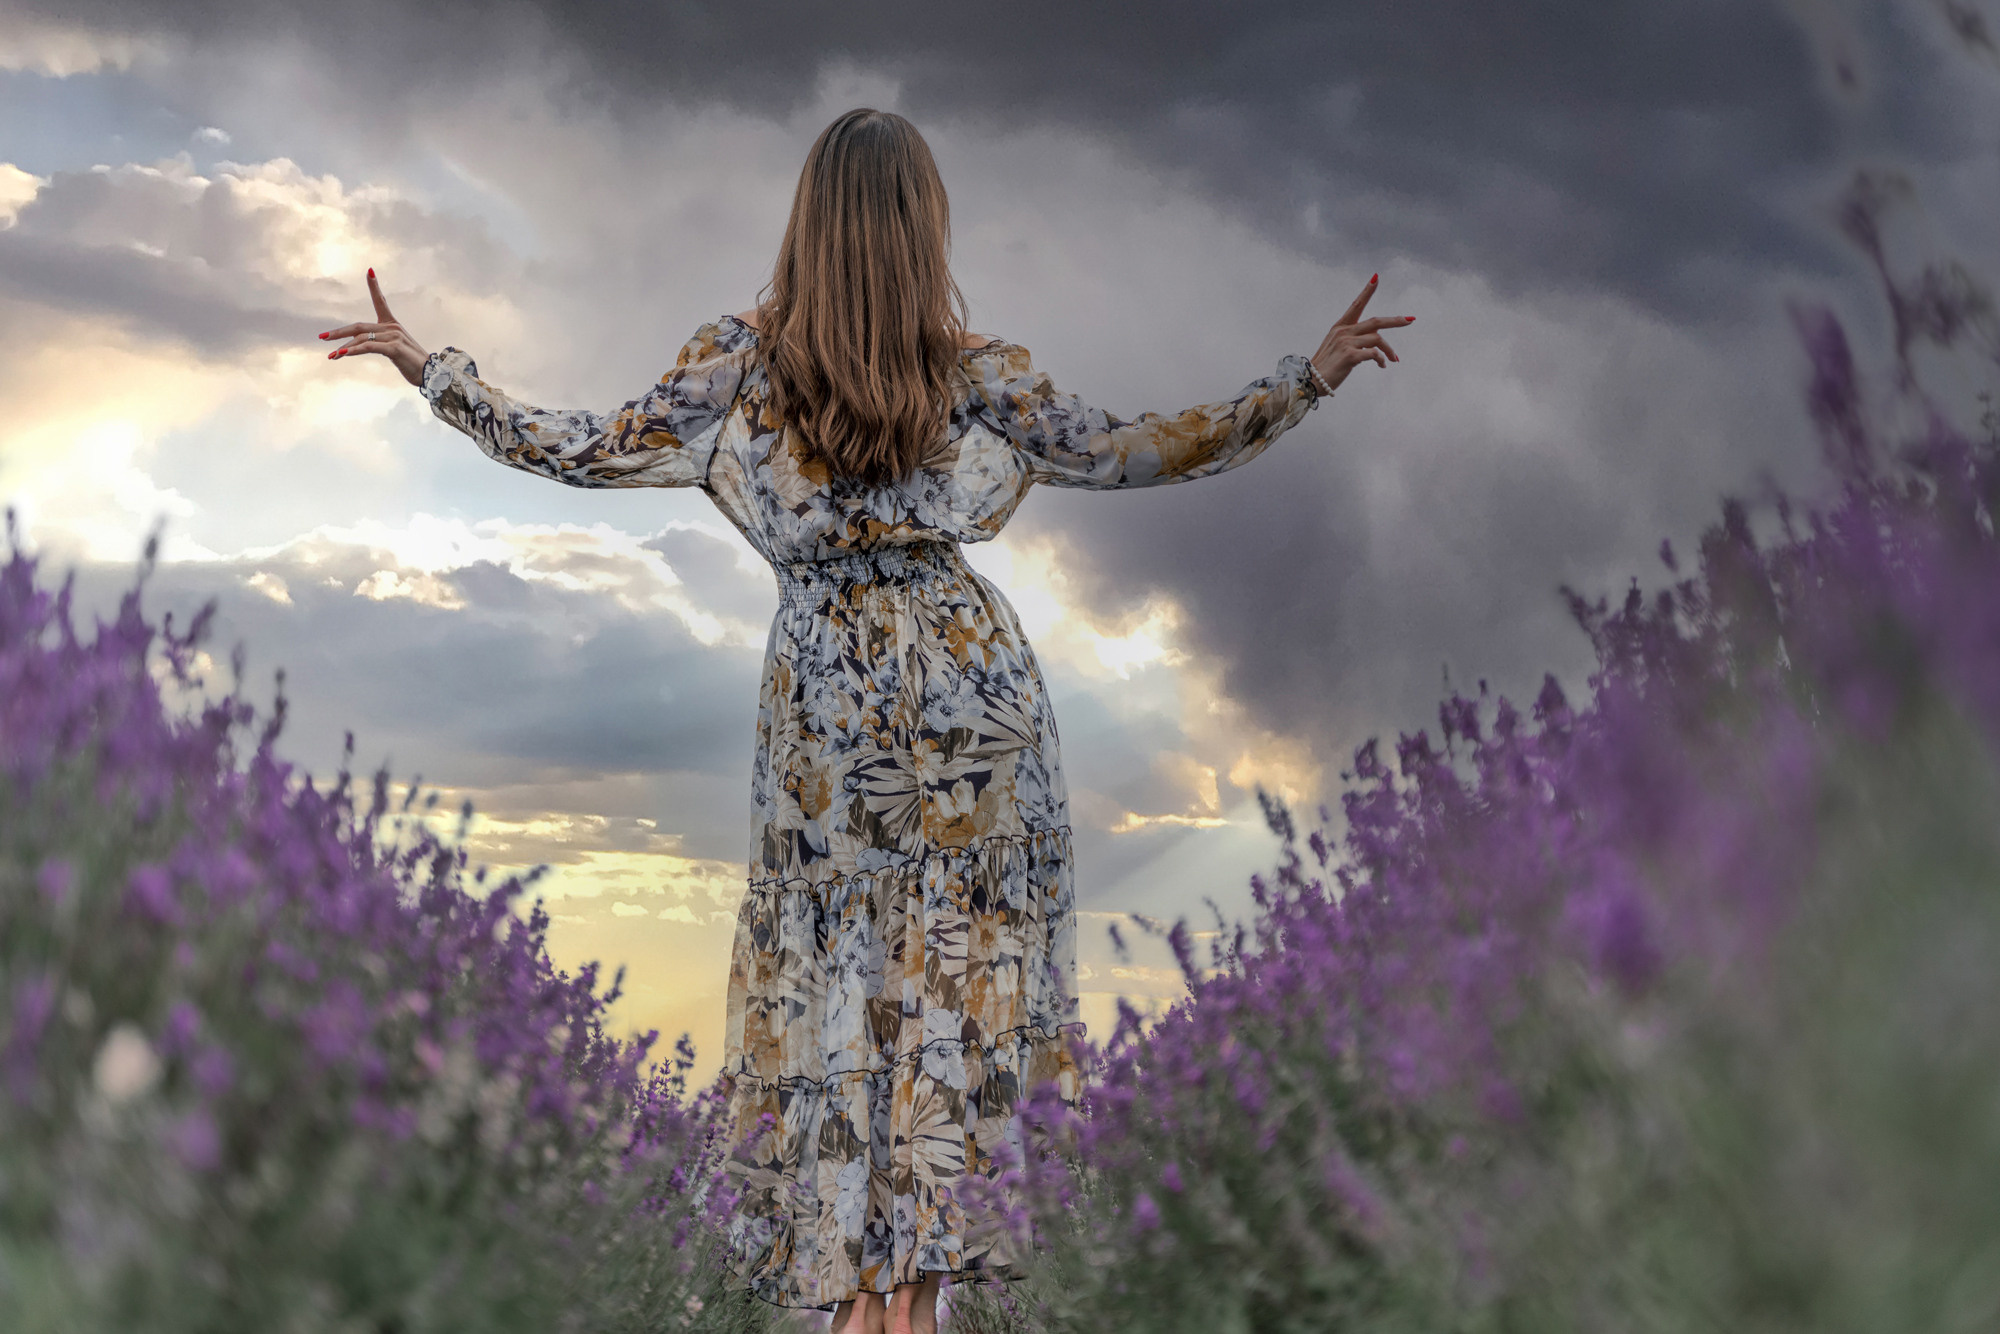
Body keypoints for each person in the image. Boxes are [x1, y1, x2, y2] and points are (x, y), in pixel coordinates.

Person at [319, 106, 1413, 1334]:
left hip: (828, 725)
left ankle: (861, 1307)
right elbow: (1135, 448)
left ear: (808, 223)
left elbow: (581, 447)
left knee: (841, 985)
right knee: (954, 997)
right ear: (923, 228)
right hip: (975, 706)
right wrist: (1299, 382)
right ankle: (909, 1304)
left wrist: (438, 374)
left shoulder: (738, 366)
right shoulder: (975, 375)